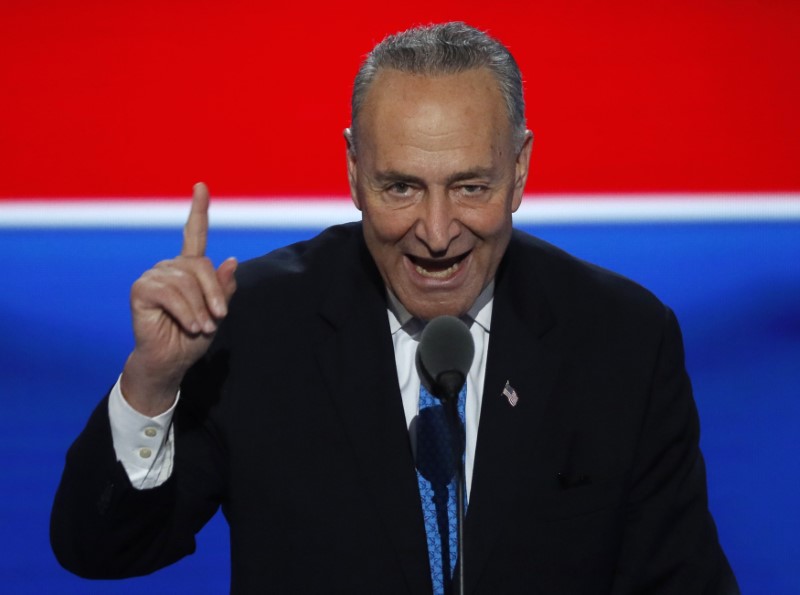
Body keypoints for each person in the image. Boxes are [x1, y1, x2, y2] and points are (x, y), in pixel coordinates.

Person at [51, 22, 739, 594]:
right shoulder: (254, 328)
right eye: (401, 187)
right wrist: (152, 383)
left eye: (470, 186)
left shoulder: (621, 339)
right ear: (353, 170)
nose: (437, 233)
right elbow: (101, 548)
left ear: (521, 169)